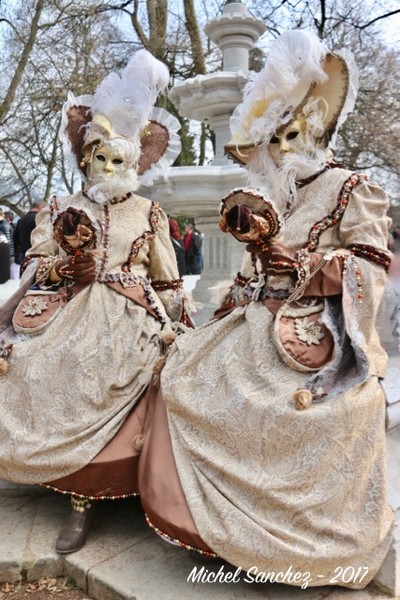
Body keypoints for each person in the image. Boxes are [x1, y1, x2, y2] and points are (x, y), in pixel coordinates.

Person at [137, 30, 394, 590]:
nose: (280, 150)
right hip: (256, 324)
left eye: (290, 135)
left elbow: (370, 267)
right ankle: (223, 530)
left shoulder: (353, 188)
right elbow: (250, 276)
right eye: (271, 141)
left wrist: (302, 265)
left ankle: (306, 545)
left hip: (317, 332)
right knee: (185, 378)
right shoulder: (272, 197)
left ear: (316, 128)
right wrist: (235, 297)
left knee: (304, 411)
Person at [0, 49, 186, 554]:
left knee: (120, 367)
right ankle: (60, 480)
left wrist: (180, 326)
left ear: (135, 161)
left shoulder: (149, 211)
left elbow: (167, 280)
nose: (108, 166)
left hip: (130, 309)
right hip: (68, 304)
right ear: (85, 158)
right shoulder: (60, 208)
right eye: (99, 157)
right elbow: (36, 265)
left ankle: (91, 497)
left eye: (118, 158)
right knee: (38, 361)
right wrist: (64, 267)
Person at [13, 202, 46, 267]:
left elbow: (15, 237)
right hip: (37, 253)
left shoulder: (21, 220)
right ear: (41, 207)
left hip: (24, 253)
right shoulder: (40, 219)